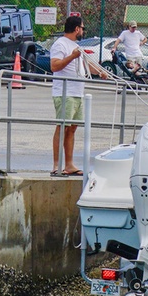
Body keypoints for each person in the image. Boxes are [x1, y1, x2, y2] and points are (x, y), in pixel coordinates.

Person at [50, 16, 109, 176]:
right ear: (77, 29)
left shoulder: (76, 46)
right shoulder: (60, 44)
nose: (83, 31)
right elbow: (54, 66)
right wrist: (72, 56)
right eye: (82, 28)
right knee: (63, 127)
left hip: (77, 93)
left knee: (72, 129)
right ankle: (57, 165)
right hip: (65, 93)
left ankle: (69, 164)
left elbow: (85, 65)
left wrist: (100, 72)